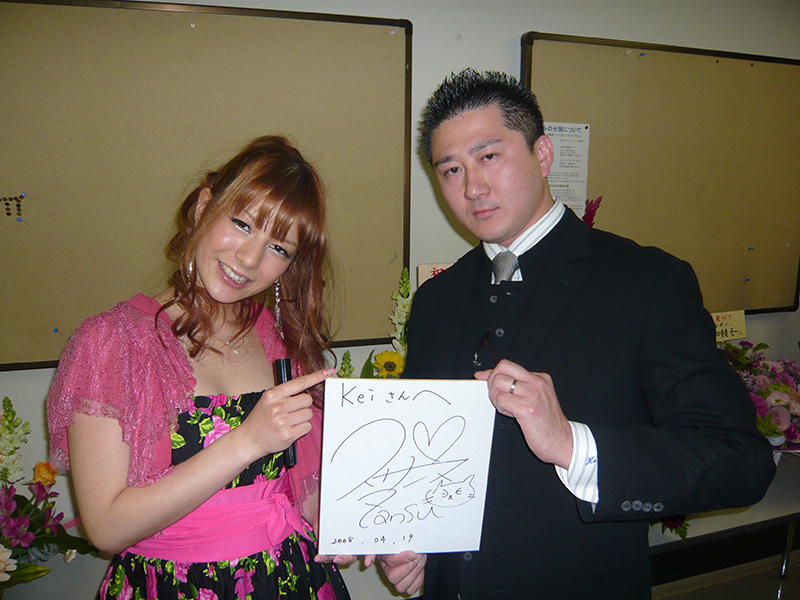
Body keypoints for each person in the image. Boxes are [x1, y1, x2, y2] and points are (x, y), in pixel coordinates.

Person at [378, 69, 776, 599]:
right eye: (451, 169)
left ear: (542, 154)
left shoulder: (646, 282)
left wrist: (572, 444)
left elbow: (739, 462)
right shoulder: (435, 300)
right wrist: (413, 540)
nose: (472, 187)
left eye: (489, 156)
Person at [47, 135, 353, 599]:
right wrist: (246, 441)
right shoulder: (111, 343)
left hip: (290, 578)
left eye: (279, 248)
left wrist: (352, 532)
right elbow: (107, 528)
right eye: (242, 224)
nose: (249, 259)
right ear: (204, 206)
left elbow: (301, 486)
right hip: (173, 585)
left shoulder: (279, 341)